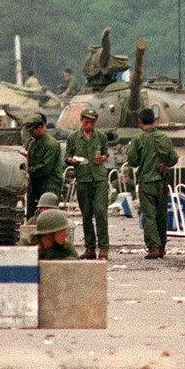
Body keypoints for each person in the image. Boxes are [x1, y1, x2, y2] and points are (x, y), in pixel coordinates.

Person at [127, 108, 178, 259]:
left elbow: (132, 161)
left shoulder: (138, 139)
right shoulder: (164, 138)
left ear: (139, 122)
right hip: (162, 182)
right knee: (162, 214)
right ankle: (162, 246)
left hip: (146, 181)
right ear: (154, 121)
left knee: (149, 215)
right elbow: (173, 159)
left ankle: (153, 247)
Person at [65, 106, 110, 259]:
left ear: (95, 122)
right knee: (86, 215)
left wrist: (103, 158)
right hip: (83, 178)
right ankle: (90, 248)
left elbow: (105, 153)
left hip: (99, 179)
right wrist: (71, 160)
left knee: (100, 212)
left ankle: (103, 247)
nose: (88, 124)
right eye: (86, 121)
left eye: (91, 121)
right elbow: (67, 155)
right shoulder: (73, 138)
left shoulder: (101, 137)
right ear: (81, 121)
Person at [24, 113, 63, 219]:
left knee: (47, 217)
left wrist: (28, 170)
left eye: (32, 131)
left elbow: (46, 168)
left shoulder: (51, 144)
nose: (31, 134)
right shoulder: (33, 143)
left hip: (49, 185)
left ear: (40, 127)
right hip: (36, 184)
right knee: (32, 216)